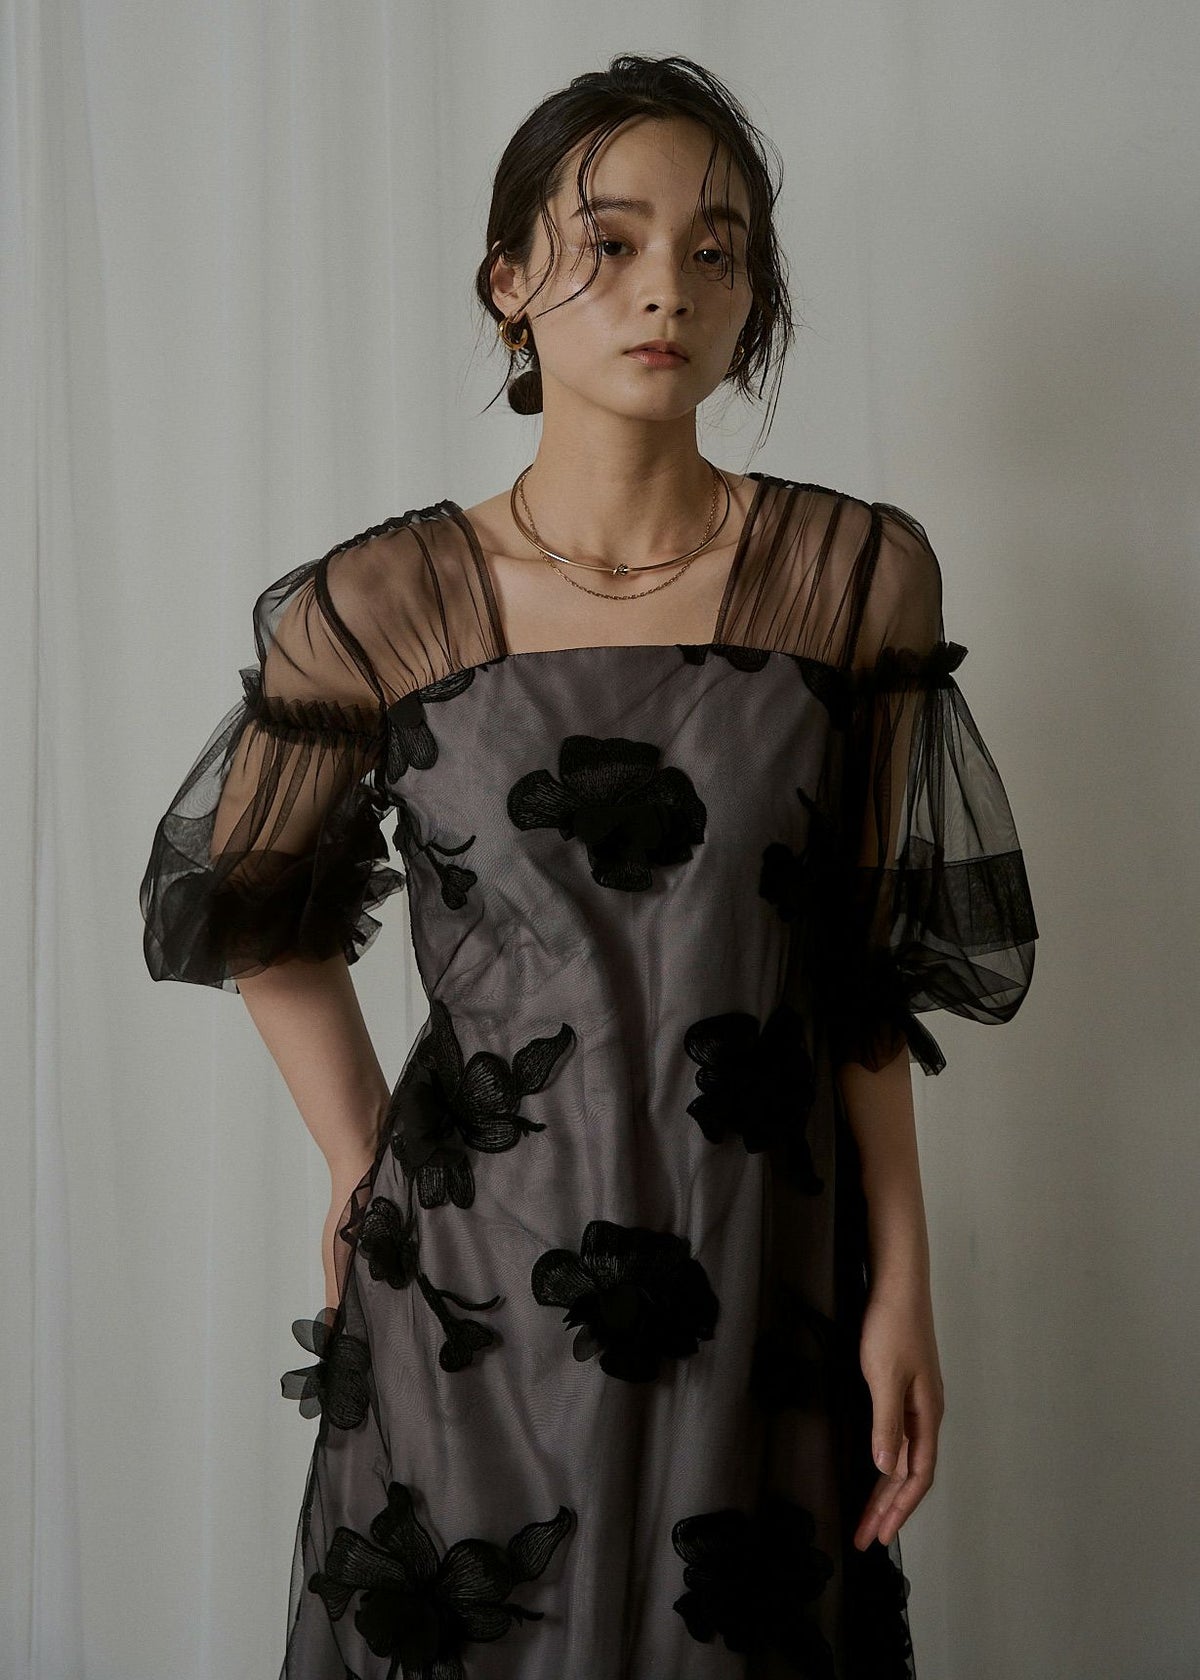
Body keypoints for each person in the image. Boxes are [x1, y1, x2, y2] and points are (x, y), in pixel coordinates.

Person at [139, 52, 1038, 1680]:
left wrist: (903, 1279)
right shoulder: (378, 608)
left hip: (764, 1258)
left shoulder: (854, 582)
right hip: (476, 1273)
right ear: (508, 281)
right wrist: (352, 1155)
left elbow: (862, 966)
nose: (665, 287)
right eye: (608, 242)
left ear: (753, 291)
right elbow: (245, 901)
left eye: (715, 248)